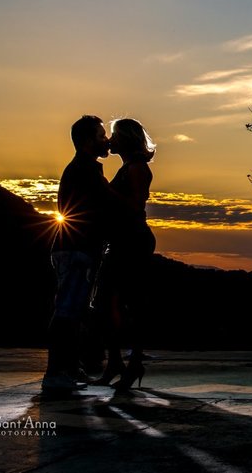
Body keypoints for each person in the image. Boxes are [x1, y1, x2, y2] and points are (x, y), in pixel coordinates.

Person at [44, 115, 116, 392]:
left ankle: (71, 367)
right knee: (67, 311)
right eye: (101, 136)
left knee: (74, 311)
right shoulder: (85, 170)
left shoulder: (82, 169)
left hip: (76, 248)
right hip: (76, 250)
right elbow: (106, 205)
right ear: (87, 141)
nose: (106, 140)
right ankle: (55, 372)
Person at [93, 117, 157, 391]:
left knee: (130, 303)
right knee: (108, 303)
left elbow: (135, 206)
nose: (110, 140)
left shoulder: (138, 168)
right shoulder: (128, 167)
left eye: (115, 135)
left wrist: (105, 190)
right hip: (121, 241)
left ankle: (132, 363)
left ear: (127, 139)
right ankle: (116, 362)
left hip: (133, 241)